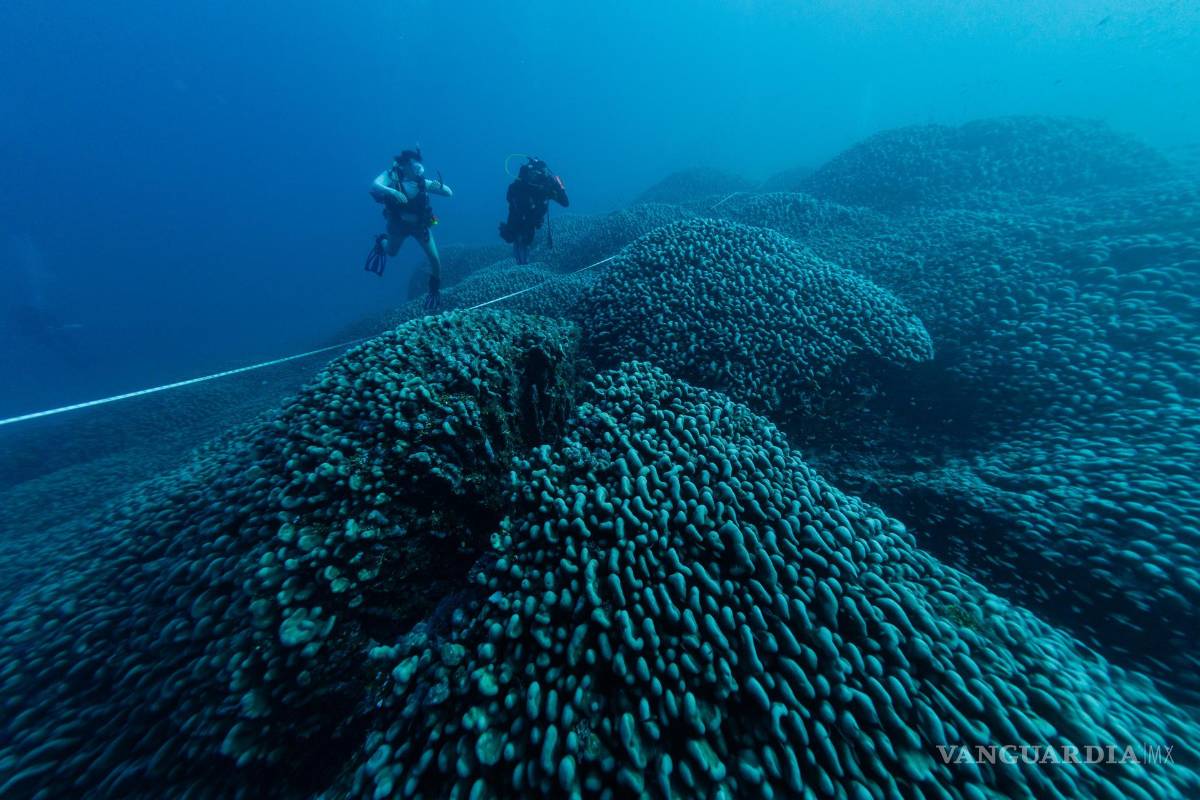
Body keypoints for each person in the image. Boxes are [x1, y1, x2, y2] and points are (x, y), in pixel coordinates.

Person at [367, 148, 452, 309]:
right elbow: (375, 185)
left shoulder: (422, 183)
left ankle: (433, 292)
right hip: (398, 225)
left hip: (420, 225)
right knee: (391, 252)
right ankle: (381, 241)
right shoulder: (392, 178)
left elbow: (449, 193)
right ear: (404, 166)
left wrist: (439, 187)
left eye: (419, 165)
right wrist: (391, 191)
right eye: (414, 165)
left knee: (435, 259)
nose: (419, 169)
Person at [498, 157, 568, 265]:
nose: (536, 178)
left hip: (530, 223)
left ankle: (523, 265)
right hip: (519, 221)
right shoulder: (519, 186)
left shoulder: (546, 186)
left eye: (539, 175)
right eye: (533, 174)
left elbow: (565, 203)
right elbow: (513, 205)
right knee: (517, 239)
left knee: (524, 241)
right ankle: (521, 264)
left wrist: (559, 187)